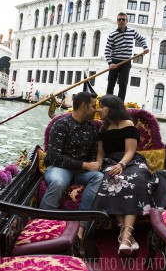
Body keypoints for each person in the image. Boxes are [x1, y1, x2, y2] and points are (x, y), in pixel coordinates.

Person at [92, 95, 153, 255]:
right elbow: (100, 153)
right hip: (110, 162)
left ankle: (125, 235)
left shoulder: (127, 124)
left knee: (136, 179)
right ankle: (126, 237)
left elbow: (130, 151)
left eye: (102, 106)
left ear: (111, 108)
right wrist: (98, 167)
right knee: (111, 179)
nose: (99, 109)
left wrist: (121, 165)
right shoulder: (103, 129)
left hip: (129, 161)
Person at [40, 92, 103, 241]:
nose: (95, 110)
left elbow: (93, 157)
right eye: (93, 106)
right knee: (59, 182)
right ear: (83, 106)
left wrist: (93, 165)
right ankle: (43, 223)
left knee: (98, 177)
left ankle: (82, 225)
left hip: (80, 172)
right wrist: (85, 165)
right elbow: (55, 157)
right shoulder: (61, 124)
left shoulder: (92, 130)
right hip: (59, 168)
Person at [105, 12, 149, 101]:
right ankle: (107, 105)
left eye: (123, 19)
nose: (121, 21)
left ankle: (120, 106)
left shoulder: (132, 32)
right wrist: (110, 63)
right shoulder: (112, 35)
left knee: (123, 85)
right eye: (119, 19)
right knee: (111, 84)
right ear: (117, 21)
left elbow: (142, 39)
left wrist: (145, 47)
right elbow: (107, 50)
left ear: (126, 21)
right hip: (114, 62)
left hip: (126, 62)